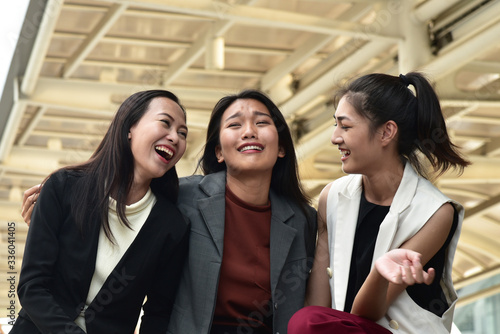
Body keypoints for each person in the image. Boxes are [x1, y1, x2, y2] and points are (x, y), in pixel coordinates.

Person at [21, 89, 317, 334]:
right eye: (235, 124)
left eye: (262, 123)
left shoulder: (304, 220)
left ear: (282, 147)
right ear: (218, 152)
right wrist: (51, 204)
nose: (249, 132)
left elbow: (157, 311)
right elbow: (34, 285)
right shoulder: (185, 198)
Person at [288, 72, 470, 334]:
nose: (334, 137)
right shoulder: (332, 197)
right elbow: (319, 305)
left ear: (387, 132)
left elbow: (369, 313)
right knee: (304, 321)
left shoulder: (435, 212)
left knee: (306, 321)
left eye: (345, 126)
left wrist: (380, 273)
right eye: (335, 125)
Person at [13, 90, 190, 334]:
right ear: (130, 127)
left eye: (182, 133)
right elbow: (31, 287)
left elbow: (159, 312)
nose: (175, 137)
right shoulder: (64, 186)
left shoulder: (172, 225)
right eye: (165, 123)